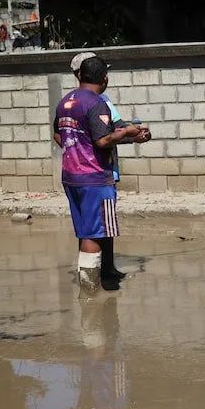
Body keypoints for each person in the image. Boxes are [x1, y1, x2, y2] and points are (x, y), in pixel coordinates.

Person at [54, 56, 151, 293]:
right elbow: (103, 139)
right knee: (95, 234)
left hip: (71, 176)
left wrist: (76, 149)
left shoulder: (66, 101)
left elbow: (59, 135)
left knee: (86, 231)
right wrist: (128, 131)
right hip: (95, 177)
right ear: (104, 79)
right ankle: (90, 292)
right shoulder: (96, 103)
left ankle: (91, 285)